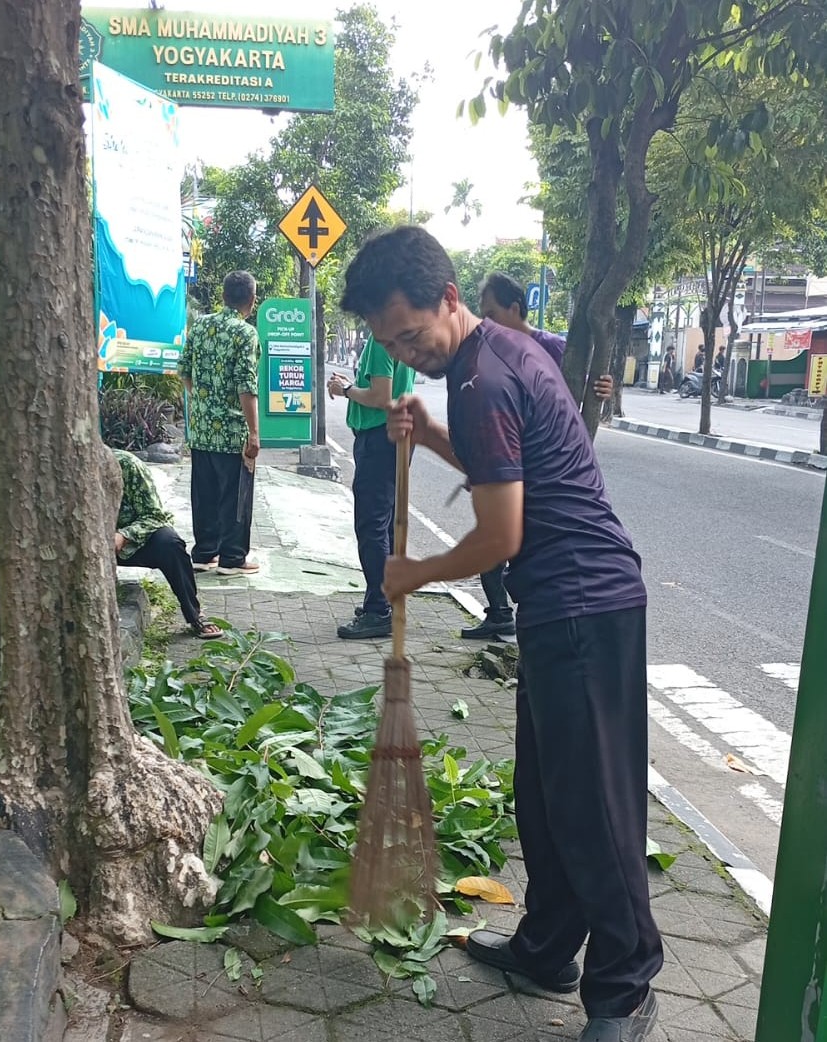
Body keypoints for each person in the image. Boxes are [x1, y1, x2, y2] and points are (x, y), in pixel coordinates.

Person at [340, 226, 662, 1042]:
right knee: (544, 795)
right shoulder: (500, 358)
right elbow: (501, 471)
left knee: (593, 805)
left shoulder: (483, 379)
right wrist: (432, 433)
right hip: (564, 608)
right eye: (389, 346)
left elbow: (499, 538)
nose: (407, 356)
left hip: (586, 604)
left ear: (450, 298)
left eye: (412, 335)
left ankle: (625, 986)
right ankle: (548, 947)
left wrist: (415, 573)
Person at [463, 271, 614, 641]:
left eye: (492, 313)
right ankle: (501, 614)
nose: (486, 323)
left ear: (516, 309)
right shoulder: (490, 356)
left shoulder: (557, 351)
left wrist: (605, 391)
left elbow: (591, 400)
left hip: (549, 478)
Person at [327, 334, 415, 639]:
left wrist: (347, 389)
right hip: (396, 435)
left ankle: (379, 610)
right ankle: (385, 602)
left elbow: (380, 397)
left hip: (380, 437)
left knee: (372, 525)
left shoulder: (381, 340)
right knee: (385, 524)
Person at [179, 270, 260, 576]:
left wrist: (203, 400)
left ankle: (203, 553)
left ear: (223, 296)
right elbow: (246, 386)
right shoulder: (245, 333)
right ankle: (232, 557)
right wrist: (254, 433)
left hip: (200, 429)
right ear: (251, 301)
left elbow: (184, 370)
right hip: (232, 431)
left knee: (204, 494)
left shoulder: (199, 325)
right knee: (235, 496)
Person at [112, 448, 223, 640]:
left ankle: (194, 615)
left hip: (130, 541)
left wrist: (124, 535)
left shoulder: (126, 465)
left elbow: (155, 515)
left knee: (170, 544)